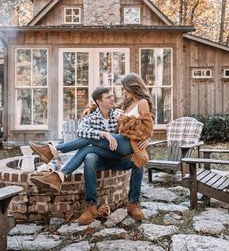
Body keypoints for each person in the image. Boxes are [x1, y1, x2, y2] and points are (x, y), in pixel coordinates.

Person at [30, 73, 154, 224]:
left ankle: (133, 204)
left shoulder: (142, 102)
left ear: (131, 86)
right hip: (111, 151)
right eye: (109, 96)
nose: (121, 92)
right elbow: (106, 117)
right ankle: (89, 205)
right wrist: (101, 124)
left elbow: (148, 126)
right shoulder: (125, 105)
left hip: (127, 146)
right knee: (88, 152)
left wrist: (147, 138)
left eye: (123, 88)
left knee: (134, 160)